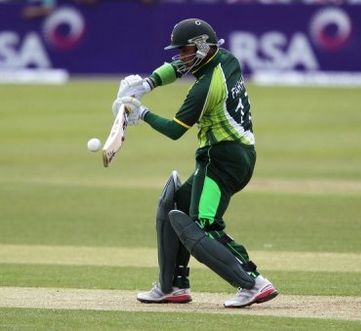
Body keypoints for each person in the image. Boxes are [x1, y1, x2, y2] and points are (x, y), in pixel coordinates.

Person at [111, 18, 278, 308]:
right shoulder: (226, 59)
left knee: (203, 226)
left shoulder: (205, 88)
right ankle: (172, 286)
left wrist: (142, 113)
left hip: (221, 159)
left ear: (202, 47)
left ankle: (253, 282)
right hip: (234, 154)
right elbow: (177, 67)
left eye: (186, 51)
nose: (182, 57)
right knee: (175, 204)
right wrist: (147, 83)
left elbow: (176, 130)